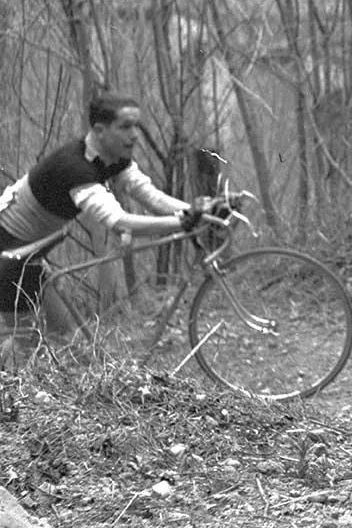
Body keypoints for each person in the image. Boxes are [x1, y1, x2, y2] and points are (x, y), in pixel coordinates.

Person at [0, 93, 209, 361]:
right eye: (125, 127)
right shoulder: (75, 169)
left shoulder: (112, 159)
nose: (134, 135)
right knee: (24, 345)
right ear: (99, 130)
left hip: (32, 250)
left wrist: (196, 211)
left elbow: (152, 197)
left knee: (63, 334)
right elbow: (118, 221)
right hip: (11, 251)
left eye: (136, 126)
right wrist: (181, 221)